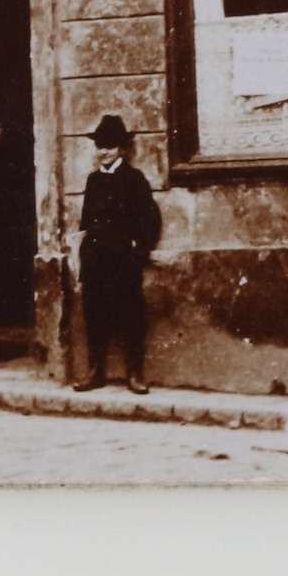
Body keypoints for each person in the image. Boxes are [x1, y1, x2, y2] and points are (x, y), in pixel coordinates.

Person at [74, 113, 164, 392]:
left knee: (130, 317)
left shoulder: (133, 178)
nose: (104, 152)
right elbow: (85, 222)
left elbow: (151, 219)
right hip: (95, 261)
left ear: (122, 149)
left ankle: (135, 374)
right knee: (95, 315)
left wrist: (140, 250)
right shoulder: (93, 181)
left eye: (110, 146)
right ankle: (95, 371)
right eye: (100, 146)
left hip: (123, 261)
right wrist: (83, 253)